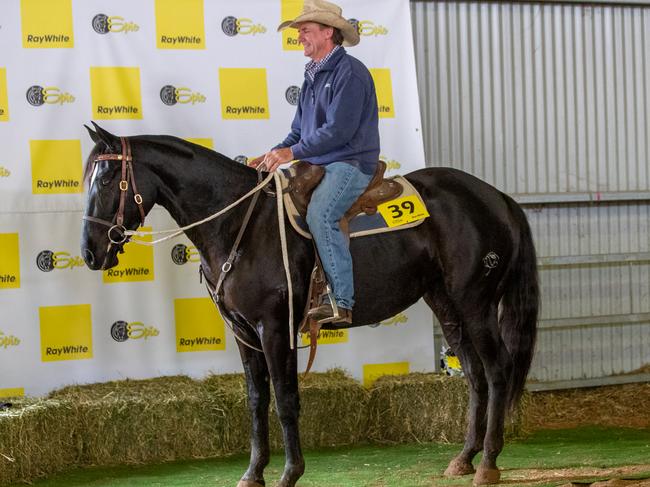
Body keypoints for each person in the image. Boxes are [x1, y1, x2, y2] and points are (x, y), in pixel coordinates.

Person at [249, 0, 380, 325]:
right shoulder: (312, 75)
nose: (299, 37)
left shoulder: (350, 73)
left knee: (322, 214)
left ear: (328, 32)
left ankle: (342, 302)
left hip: (349, 163)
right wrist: (274, 153)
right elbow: (299, 131)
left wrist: (291, 154)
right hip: (320, 161)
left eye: (305, 30)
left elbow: (339, 131)